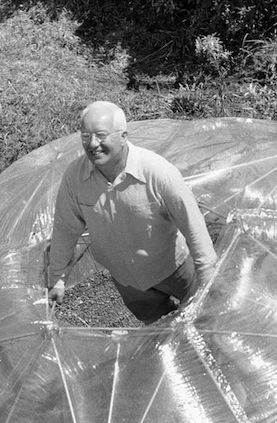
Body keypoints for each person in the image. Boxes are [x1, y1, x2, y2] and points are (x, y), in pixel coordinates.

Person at [47, 101, 217, 323]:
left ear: (123, 136)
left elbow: (191, 223)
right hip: (127, 282)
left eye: (101, 135)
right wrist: (58, 278)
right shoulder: (75, 177)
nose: (93, 144)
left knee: (204, 317)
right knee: (159, 329)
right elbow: (65, 229)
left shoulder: (157, 172)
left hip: (174, 269)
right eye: (85, 136)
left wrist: (206, 274)